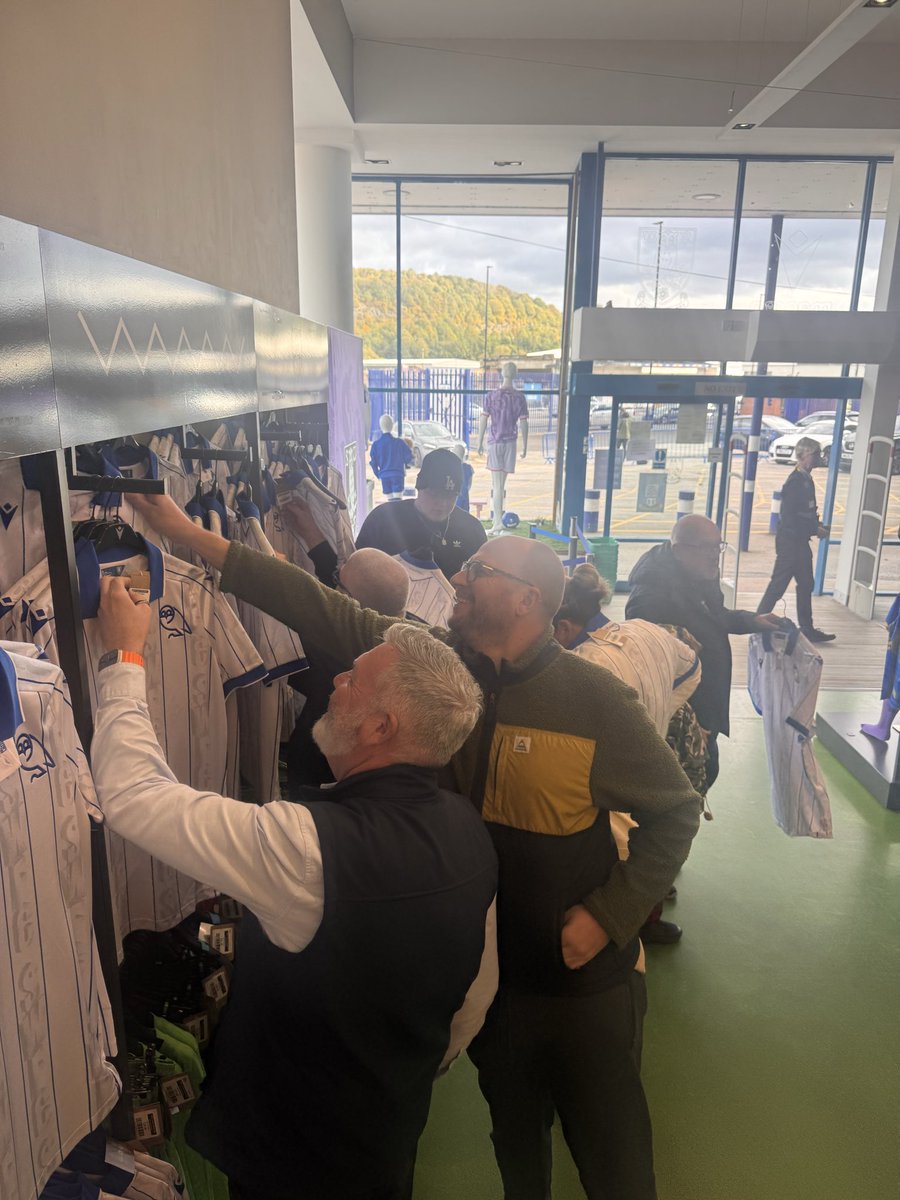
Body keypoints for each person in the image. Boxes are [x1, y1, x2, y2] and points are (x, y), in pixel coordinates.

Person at [128, 491, 702, 1200]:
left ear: (526, 600)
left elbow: (676, 811)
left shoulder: (593, 698)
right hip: (492, 980)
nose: (459, 575)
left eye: (479, 570)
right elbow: (318, 605)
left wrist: (610, 916)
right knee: (515, 1141)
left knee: (613, 1153)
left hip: (581, 983)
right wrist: (184, 532)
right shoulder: (441, 670)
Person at [90, 577, 498, 1200]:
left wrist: (124, 656)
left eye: (353, 678)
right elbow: (476, 988)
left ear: (379, 727)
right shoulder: (466, 829)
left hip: (293, 1156)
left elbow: (132, 796)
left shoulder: (307, 848)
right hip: (384, 1133)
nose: (335, 681)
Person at [554, 562, 706, 945]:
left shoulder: (582, 664)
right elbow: (692, 666)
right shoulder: (647, 629)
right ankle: (647, 915)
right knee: (651, 840)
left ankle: (617, 929)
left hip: (609, 784)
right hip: (651, 762)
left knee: (615, 856)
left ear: (564, 628)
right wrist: (659, 715)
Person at [627, 514, 780, 789]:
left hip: (707, 705)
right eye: (706, 548)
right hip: (682, 717)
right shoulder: (650, 597)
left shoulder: (699, 574)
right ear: (679, 551)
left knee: (707, 772)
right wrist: (687, 720)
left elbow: (715, 616)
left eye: (717, 546)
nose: (714, 556)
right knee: (686, 785)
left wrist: (752, 621)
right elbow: (648, 668)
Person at [355, 447, 486, 579]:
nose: (442, 503)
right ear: (419, 487)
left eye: (450, 496)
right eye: (434, 494)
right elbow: (356, 572)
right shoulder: (383, 520)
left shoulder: (471, 530)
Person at [756, 436, 835, 643]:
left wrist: (815, 525)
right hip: (791, 543)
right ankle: (757, 622)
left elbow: (804, 512)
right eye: (814, 454)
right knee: (778, 585)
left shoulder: (805, 479)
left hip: (799, 542)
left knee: (806, 583)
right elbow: (790, 517)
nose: (818, 457)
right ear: (803, 456)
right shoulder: (795, 482)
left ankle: (807, 628)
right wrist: (814, 529)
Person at [477, 362, 529, 535]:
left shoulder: (491, 396)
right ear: (515, 374)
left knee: (497, 485)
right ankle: (497, 522)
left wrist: (479, 442)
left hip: (495, 442)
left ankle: (498, 523)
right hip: (510, 443)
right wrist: (525, 445)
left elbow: (484, 419)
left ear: (502, 374)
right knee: (500, 484)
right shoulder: (519, 397)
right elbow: (524, 423)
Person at [369, 413, 413, 500]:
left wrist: (378, 474)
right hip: (398, 475)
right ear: (392, 426)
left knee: (390, 501)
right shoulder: (399, 442)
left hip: (384, 475)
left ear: (380, 427)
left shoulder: (376, 445)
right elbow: (409, 457)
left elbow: (373, 463)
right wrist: (404, 463)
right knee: (398, 500)